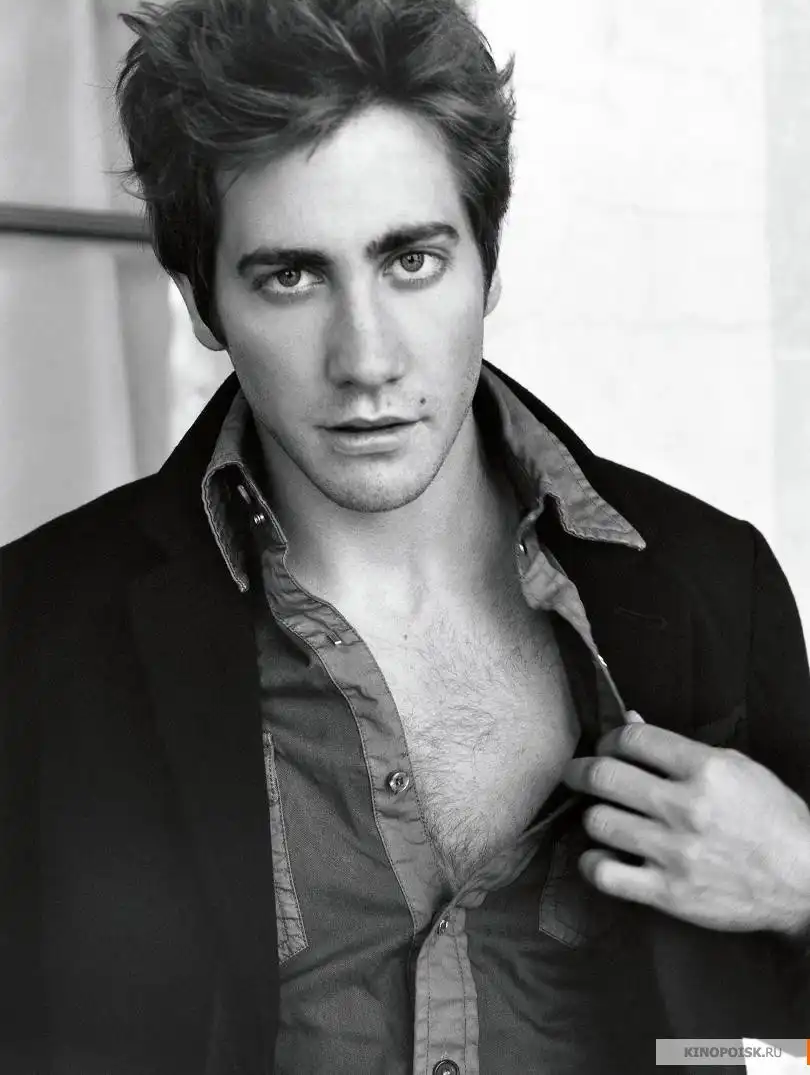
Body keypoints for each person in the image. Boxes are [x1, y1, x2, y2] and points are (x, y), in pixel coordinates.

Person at [2, 0, 809, 1072]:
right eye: (291, 276)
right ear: (202, 305)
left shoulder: (713, 582)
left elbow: (769, 1056)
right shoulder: (39, 632)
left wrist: (803, 890)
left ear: (489, 263)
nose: (367, 358)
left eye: (412, 261)